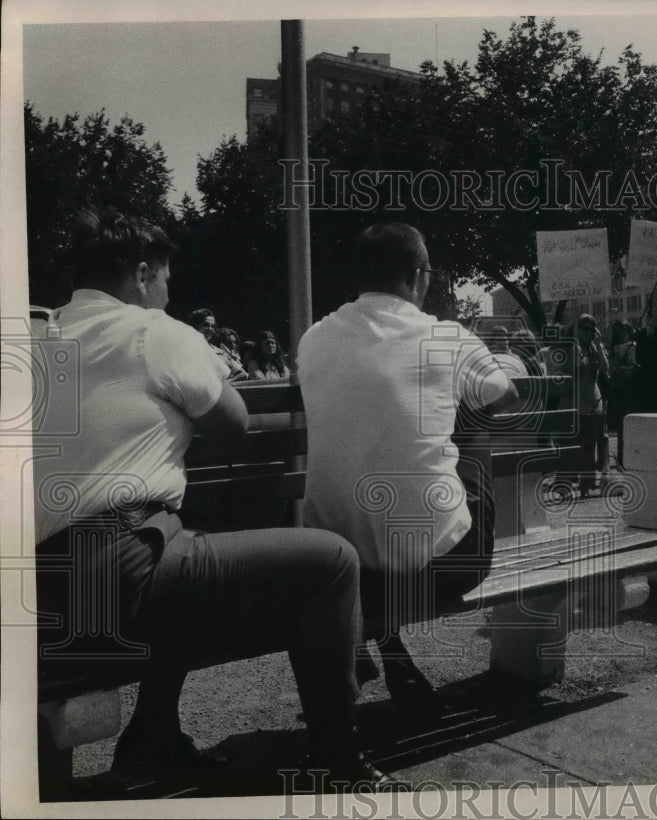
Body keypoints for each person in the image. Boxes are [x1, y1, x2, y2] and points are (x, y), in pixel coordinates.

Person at [32, 209, 391, 786]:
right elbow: (235, 422)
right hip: (116, 578)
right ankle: (338, 757)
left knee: (184, 544)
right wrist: (210, 371)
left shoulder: (34, 336)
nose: (169, 295)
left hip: (36, 585)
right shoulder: (155, 332)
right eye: (167, 282)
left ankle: (156, 735)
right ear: (144, 273)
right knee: (331, 560)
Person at [298, 223, 517, 716]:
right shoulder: (446, 336)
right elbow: (507, 395)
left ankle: (389, 649)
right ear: (418, 277)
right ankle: (390, 649)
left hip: (339, 567)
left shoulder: (313, 339)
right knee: (474, 425)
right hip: (441, 569)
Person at [569, 314, 611, 495]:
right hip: (577, 401)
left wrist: (600, 345)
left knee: (591, 444)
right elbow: (572, 370)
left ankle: (587, 483)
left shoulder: (596, 348)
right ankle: (582, 480)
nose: (587, 333)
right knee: (579, 445)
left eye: (590, 329)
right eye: (584, 329)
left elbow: (605, 367)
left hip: (595, 401)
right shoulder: (573, 348)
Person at [607, 321, 637, 466]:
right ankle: (621, 458)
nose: (622, 333)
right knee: (621, 426)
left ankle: (632, 458)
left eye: (625, 330)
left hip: (632, 388)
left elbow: (636, 366)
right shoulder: (614, 348)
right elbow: (610, 369)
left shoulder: (635, 346)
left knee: (633, 424)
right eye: (619, 331)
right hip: (618, 389)